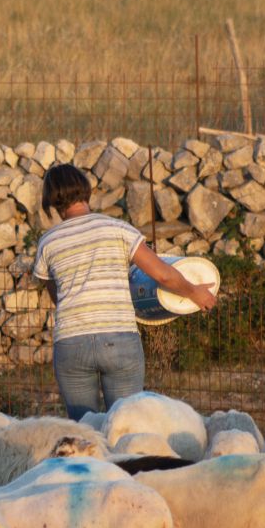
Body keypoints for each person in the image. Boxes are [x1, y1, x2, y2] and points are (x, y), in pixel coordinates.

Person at [32, 163, 218, 421]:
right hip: (119, 339)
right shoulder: (118, 229)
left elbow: (57, 295)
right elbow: (163, 274)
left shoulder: (48, 242)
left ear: (51, 200)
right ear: (85, 190)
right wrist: (194, 292)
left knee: (84, 433)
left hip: (71, 343)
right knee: (125, 427)